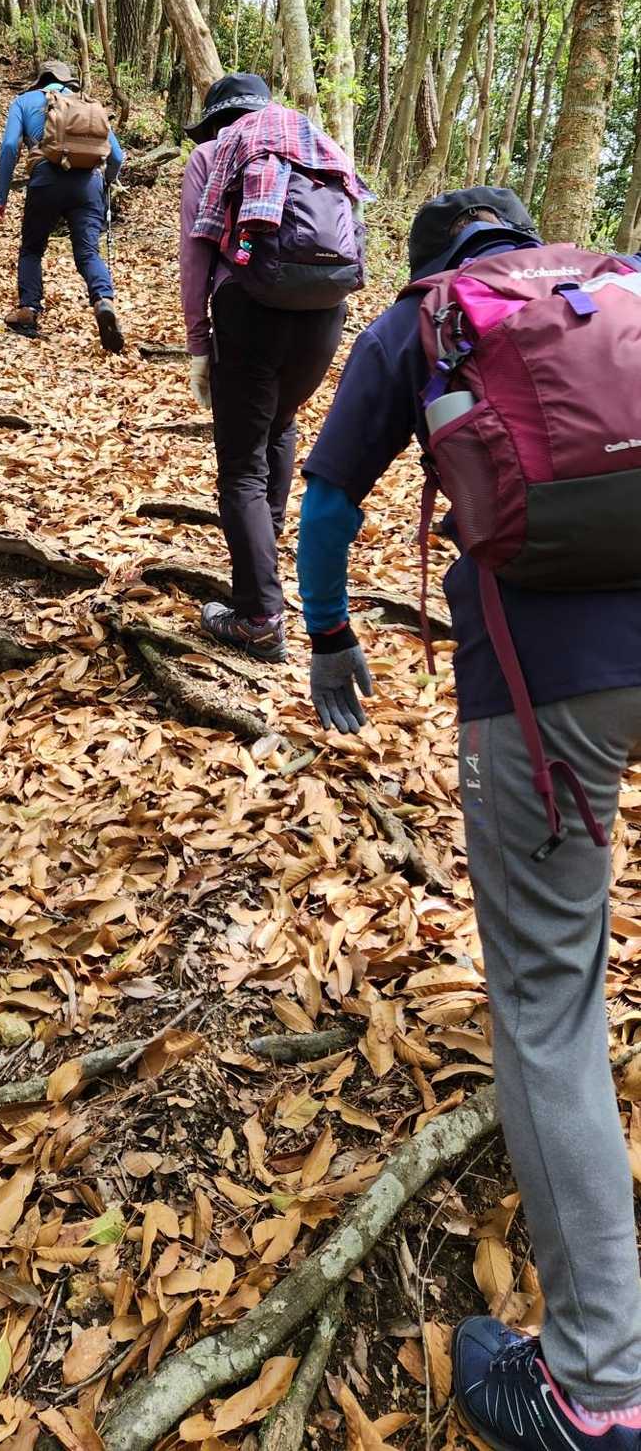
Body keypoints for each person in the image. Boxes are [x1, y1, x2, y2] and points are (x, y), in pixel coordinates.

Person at [296, 185, 641, 1450]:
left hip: (546, 691)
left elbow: (328, 502)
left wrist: (330, 633)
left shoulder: (423, 321)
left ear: (429, 257)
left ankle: (598, 1392)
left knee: (547, 1008)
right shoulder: (622, 283)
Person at [179, 72, 353, 661]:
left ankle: (258, 616)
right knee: (279, 424)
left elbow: (195, 253)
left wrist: (198, 344)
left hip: (249, 306)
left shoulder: (212, 154)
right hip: (324, 309)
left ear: (218, 121)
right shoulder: (321, 149)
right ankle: (261, 560)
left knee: (240, 468)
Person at [0, 59, 125, 354]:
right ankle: (103, 301)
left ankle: (29, 310)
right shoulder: (87, 104)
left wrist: (1, 196)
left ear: (40, 80)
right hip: (88, 184)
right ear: (67, 81)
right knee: (88, 252)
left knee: (32, 248)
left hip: (46, 181)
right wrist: (107, 183)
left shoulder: (24, 101)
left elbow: (10, 147)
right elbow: (116, 156)